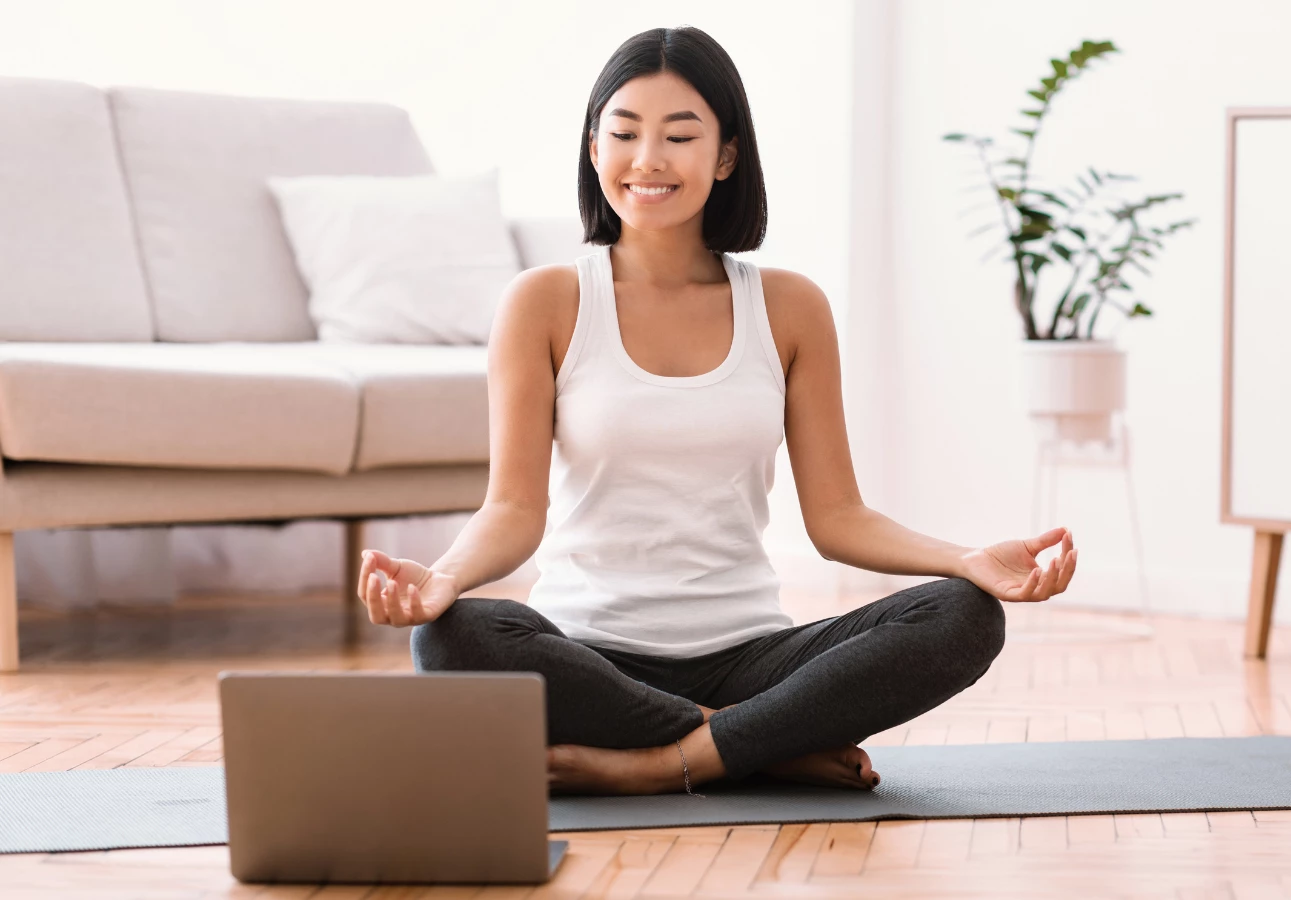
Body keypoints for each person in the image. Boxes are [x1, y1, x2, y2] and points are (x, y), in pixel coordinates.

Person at [354, 25, 1077, 797]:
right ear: (594, 149)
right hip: (588, 653)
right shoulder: (545, 302)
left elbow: (837, 517)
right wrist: (443, 578)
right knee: (453, 635)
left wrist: (963, 560)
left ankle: (662, 762)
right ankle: (756, 743)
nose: (648, 160)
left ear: (726, 156)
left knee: (964, 617)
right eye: (624, 133)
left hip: (749, 654)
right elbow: (512, 509)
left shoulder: (790, 307)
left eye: (680, 135)